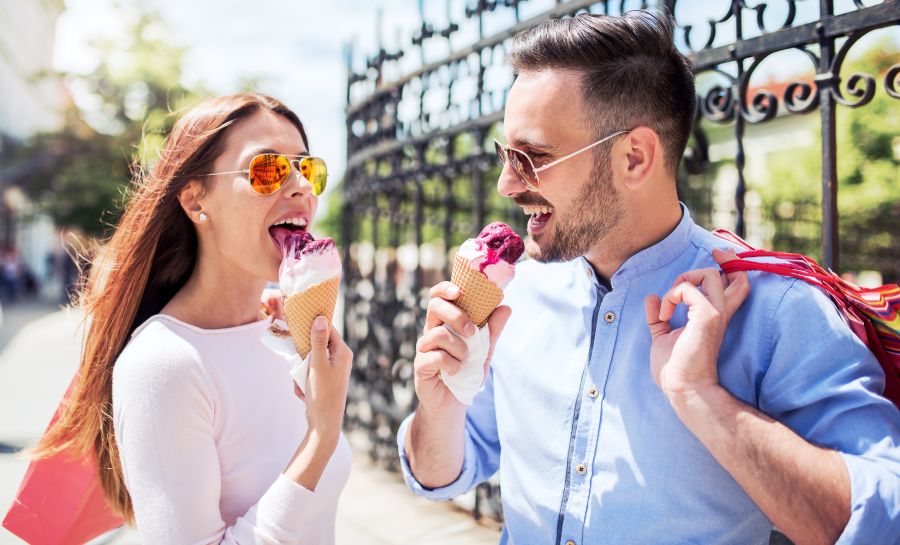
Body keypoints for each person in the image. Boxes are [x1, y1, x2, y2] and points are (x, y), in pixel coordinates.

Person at [399, 11, 900, 545]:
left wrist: (701, 397)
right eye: (506, 154)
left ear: (634, 157)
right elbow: (437, 477)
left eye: (533, 156)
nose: (505, 184)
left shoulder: (777, 309)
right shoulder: (512, 295)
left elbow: (882, 519)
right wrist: (441, 409)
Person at [32, 93, 353, 544]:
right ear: (196, 201)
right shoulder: (164, 363)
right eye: (267, 170)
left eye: (307, 167)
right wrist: (320, 436)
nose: (300, 185)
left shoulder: (283, 334)